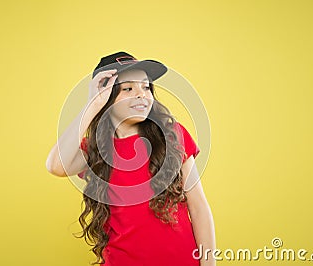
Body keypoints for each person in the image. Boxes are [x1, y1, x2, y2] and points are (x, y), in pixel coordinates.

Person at [46, 52, 216, 266]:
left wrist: (208, 264)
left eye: (146, 87)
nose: (141, 95)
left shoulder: (172, 136)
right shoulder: (95, 150)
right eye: (128, 88)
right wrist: (92, 104)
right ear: (106, 97)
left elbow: (199, 207)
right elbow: (55, 165)